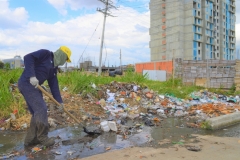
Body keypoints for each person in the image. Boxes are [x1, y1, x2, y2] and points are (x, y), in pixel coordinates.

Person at [18, 46, 72, 147]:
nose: (64, 62)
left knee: (36, 112)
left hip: (35, 87)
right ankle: (43, 138)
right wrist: (31, 76)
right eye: (65, 59)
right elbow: (28, 57)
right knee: (41, 109)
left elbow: (54, 86)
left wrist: (60, 102)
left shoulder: (53, 69)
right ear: (61, 54)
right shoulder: (45, 54)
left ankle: (31, 140)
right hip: (27, 83)